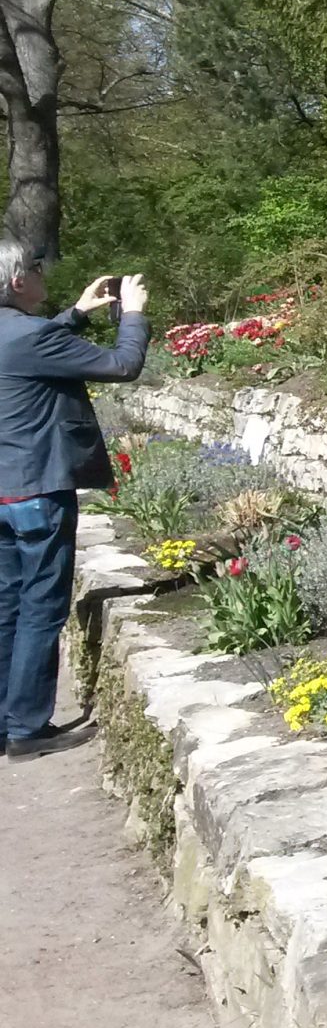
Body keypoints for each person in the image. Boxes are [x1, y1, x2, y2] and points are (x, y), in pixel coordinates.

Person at [0, 245, 147, 760]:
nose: (43, 276)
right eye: (36, 269)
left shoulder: (18, 336)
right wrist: (131, 315)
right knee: (41, 606)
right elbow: (123, 365)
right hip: (36, 489)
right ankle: (27, 727)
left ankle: (5, 721)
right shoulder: (28, 335)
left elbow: (31, 352)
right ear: (17, 280)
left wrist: (78, 314)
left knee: (6, 605)